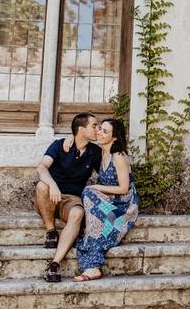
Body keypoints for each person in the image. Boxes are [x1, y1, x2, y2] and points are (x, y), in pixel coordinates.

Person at [34, 113, 101, 282]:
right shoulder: (59, 145)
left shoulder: (94, 152)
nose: (98, 129)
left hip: (72, 200)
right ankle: (51, 231)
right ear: (81, 129)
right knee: (42, 186)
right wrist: (53, 185)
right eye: (94, 126)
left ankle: (54, 263)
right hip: (50, 197)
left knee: (78, 213)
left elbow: (107, 167)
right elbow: (42, 167)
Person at [71, 118, 139, 281]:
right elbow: (79, 140)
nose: (99, 132)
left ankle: (93, 266)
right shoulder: (101, 152)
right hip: (109, 199)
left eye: (105, 131)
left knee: (89, 192)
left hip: (124, 203)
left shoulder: (118, 156)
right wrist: (70, 138)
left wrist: (96, 187)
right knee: (88, 193)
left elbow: (124, 188)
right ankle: (92, 237)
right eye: (100, 128)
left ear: (114, 137)